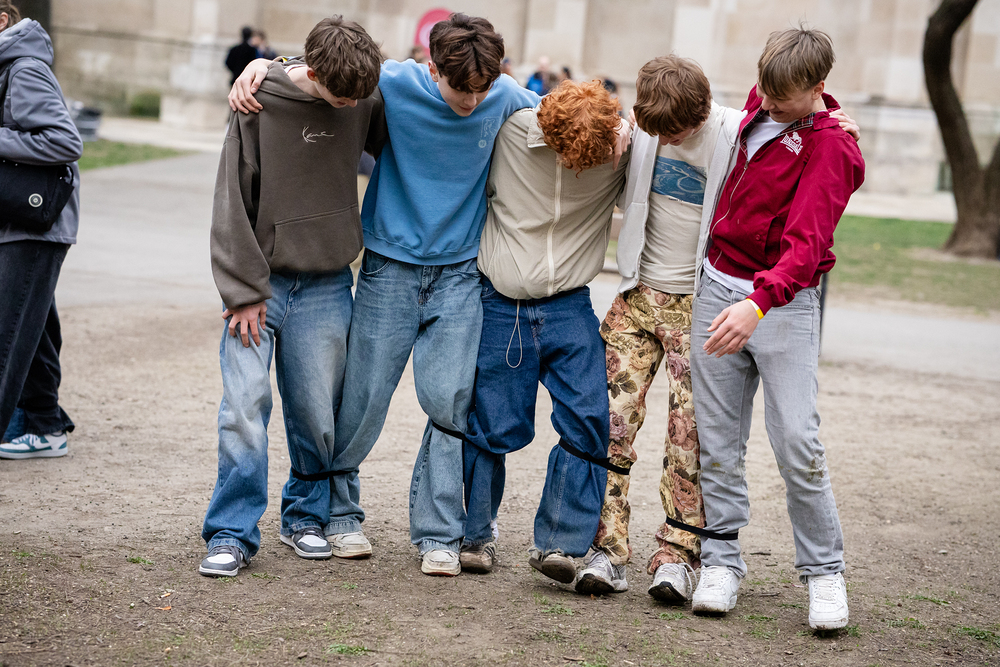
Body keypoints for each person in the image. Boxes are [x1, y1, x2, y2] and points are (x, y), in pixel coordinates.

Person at [228, 13, 543, 577]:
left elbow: (562, 114)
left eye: (483, 89)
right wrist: (264, 64)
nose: (473, 101)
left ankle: (438, 533)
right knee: (361, 400)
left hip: (459, 275)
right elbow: (324, 67)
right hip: (388, 270)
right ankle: (340, 514)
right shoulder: (391, 83)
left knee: (449, 403)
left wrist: (623, 128)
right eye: (461, 89)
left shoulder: (501, 93)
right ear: (433, 68)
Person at [575, 54, 861, 603]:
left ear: (704, 110)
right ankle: (605, 548)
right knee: (608, 422)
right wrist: (615, 128)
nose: (669, 140)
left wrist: (833, 121)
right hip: (638, 295)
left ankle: (679, 555)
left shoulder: (738, 132)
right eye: (659, 131)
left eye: (679, 131)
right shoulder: (646, 128)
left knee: (693, 437)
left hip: (702, 304)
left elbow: (802, 134)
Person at [688, 27, 864, 631]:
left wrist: (757, 305)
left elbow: (807, 245)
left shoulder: (832, 146)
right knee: (717, 438)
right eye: (763, 90)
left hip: (780, 306)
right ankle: (720, 560)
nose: (766, 103)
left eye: (781, 98)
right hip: (716, 288)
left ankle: (824, 572)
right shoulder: (766, 98)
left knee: (797, 442)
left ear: (818, 87)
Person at [199, 16, 387, 578]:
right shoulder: (258, 103)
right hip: (260, 287)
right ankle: (231, 532)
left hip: (328, 284)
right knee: (243, 408)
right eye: (340, 96)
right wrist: (243, 290)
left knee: (316, 414)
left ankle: (305, 516)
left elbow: (417, 94)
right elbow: (231, 199)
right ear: (315, 72)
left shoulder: (364, 96)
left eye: (358, 98)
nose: (350, 106)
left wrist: (270, 59)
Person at [459, 80, 630, 580]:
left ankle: (559, 543)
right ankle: (476, 534)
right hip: (502, 305)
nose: (573, 165)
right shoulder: (510, 131)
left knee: (588, 418)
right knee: (490, 424)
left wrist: (629, 130)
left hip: (570, 305)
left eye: (584, 160)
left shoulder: (617, 148)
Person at [0, 1, 82, 460]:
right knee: (31, 331)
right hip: (18, 222)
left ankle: (40, 423)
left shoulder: (25, 68)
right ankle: (44, 424)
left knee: (7, 339)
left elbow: (65, 141)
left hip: (34, 223)